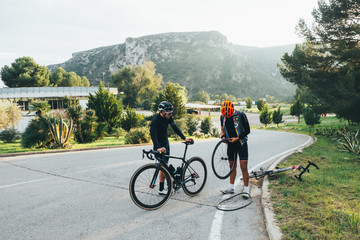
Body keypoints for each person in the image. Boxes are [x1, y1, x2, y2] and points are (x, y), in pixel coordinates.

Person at [150, 101, 193, 195]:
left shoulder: (168, 118)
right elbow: (153, 135)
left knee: (164, 166)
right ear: (162, 112)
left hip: (165, 143)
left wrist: (184, 138)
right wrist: (157, 148)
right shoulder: (156, 120)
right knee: (161, 166)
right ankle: (161, 189)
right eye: (169, 112)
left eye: (171, 112)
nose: (170, 114)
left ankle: (162, 188)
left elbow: (175, 128)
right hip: (158, 144)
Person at [219, 100, 250, 195]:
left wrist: (237, 138)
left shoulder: (241, 115)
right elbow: (222, 129)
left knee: (243, 166)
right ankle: (231, 187)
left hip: (241, 143)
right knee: (232, 166)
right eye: (225, 115)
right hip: (230, 144)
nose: (227, 116)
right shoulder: (222, 117)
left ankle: (246, 189)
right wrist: (223, 137)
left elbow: (247, 130)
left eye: (228, 115)